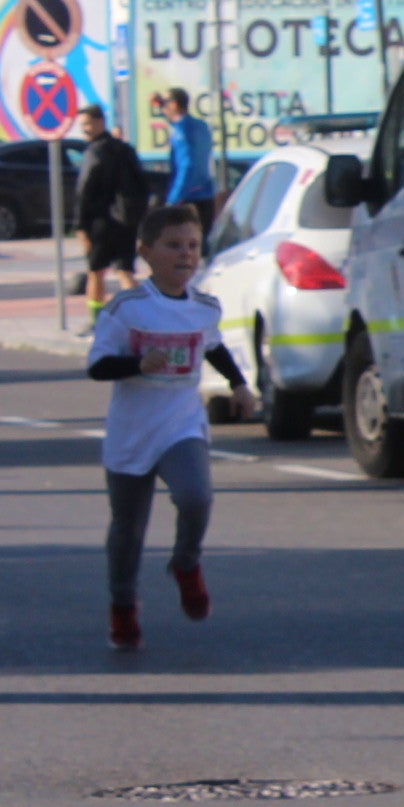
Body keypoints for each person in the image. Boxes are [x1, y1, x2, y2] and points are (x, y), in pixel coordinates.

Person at [86, 203, 256, 652]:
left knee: (196, 496)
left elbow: (214, 347)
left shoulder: (203, 307)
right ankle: (123, 605)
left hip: (180, 425)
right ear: (146, 252)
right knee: (128, 529)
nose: (185, 254)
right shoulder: (127, 308)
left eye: (193, 246)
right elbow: (98, 366)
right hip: (132, 432)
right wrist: (137, 363)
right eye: (173, 245)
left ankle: (186, 563)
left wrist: (239, 385)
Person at [74, 105, 150, 310]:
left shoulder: (95, 151)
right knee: (124, 271)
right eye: (82, 125)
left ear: (100, 122)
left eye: (88, 124)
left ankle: (97, 322)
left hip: (101, 221)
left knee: (96, 272)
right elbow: (143, 184)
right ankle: (142, 314)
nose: (85, 129)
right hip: (126, 220)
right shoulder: (126, 149)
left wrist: (80, 226)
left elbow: (84, 191)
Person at [155, 87, 218, 233]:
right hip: (206, 195)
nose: (162, 109)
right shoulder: (201, 126)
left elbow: (187, 166)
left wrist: (173, 199)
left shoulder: (181, 132)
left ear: (174, 105)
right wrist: (159, 101)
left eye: (164, 104)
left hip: (188, 198)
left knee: (183, 248)